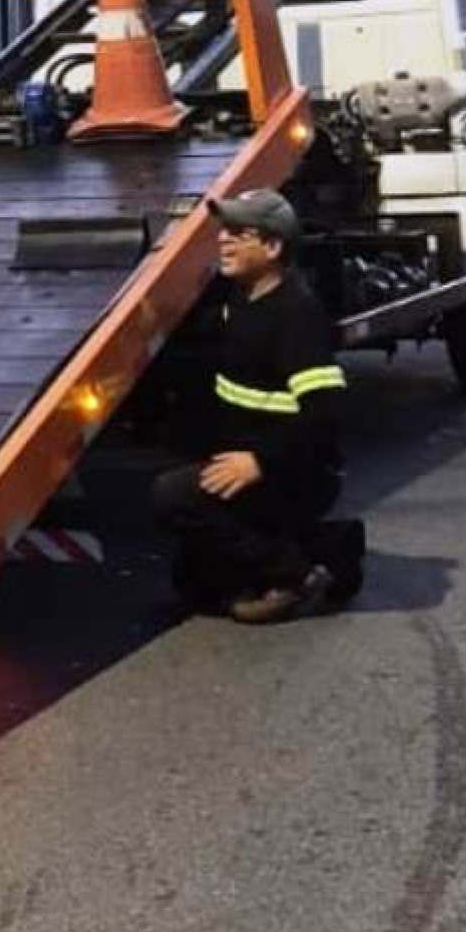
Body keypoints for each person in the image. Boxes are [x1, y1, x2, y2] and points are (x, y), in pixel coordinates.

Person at [152, 189, 365, 624]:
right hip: (252, 458)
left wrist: (260, 462)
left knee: (172, 496)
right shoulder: (241, 297)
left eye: (239, 233)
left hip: (295, 471)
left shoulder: (296, 315)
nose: (223, 240)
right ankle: (330, 547)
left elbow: (325, 414)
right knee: (193, 585)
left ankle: (296, 576)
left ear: (272, 247)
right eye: (224, 231)